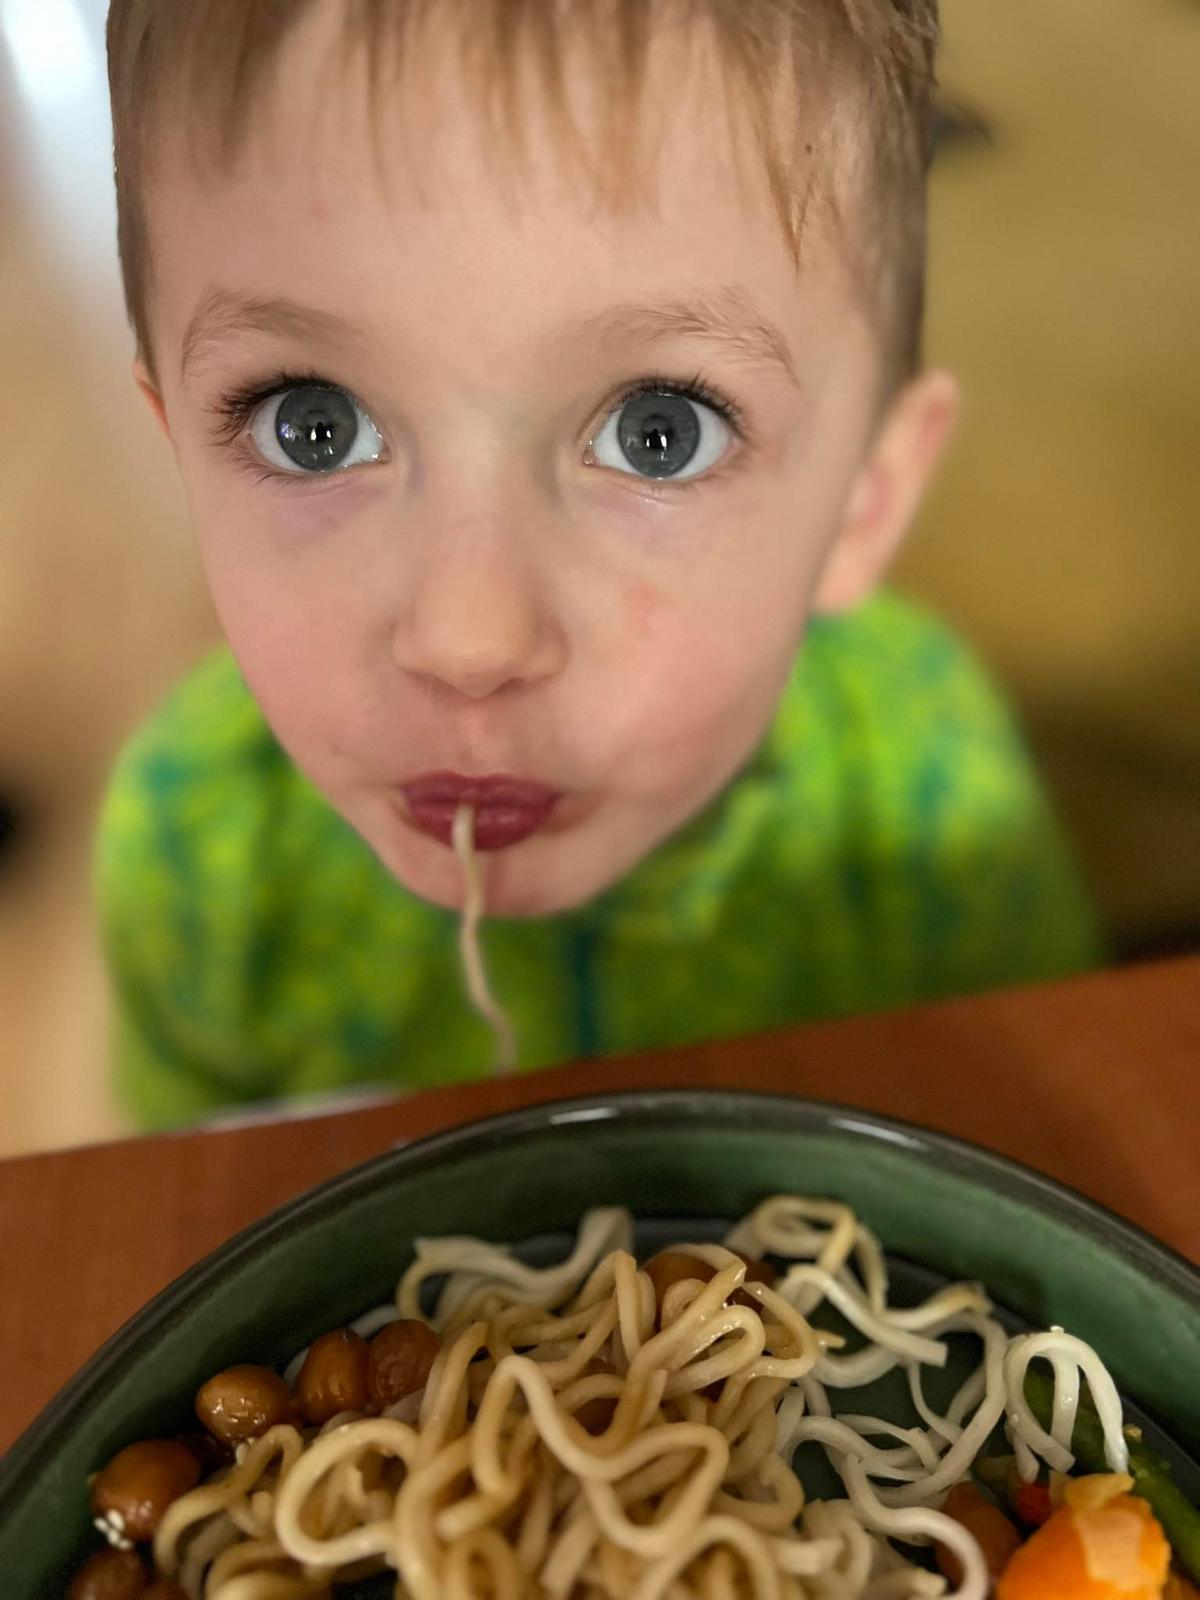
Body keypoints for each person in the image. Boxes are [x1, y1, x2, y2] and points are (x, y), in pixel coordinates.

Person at [97, 0, 1097, 1129]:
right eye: (311, 427)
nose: (470, 643)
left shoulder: (928, 794)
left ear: (866, 499)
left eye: (659, 434)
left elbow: (1039, 1115)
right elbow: (190, 1190)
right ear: (176, 444)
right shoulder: (197, 837)